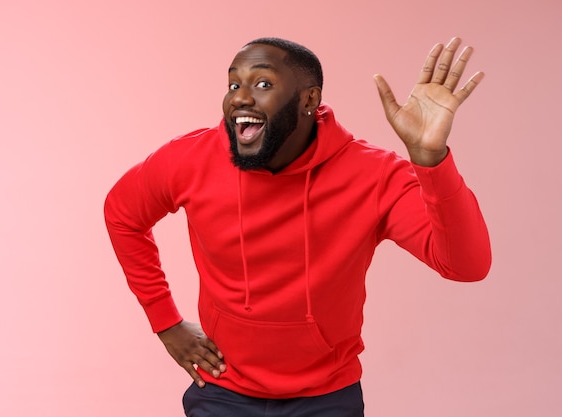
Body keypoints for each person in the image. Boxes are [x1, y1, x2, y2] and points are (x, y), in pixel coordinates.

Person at [104, 36, 491, 417]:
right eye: (233, 84)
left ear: (308, 99)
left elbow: (465, 265)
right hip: (220, 390)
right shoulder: (191, 158)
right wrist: (165, 322)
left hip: (327, 397)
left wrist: (431, 160)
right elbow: (122, 213)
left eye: (263, 84)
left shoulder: (374, 175)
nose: (239, 97)